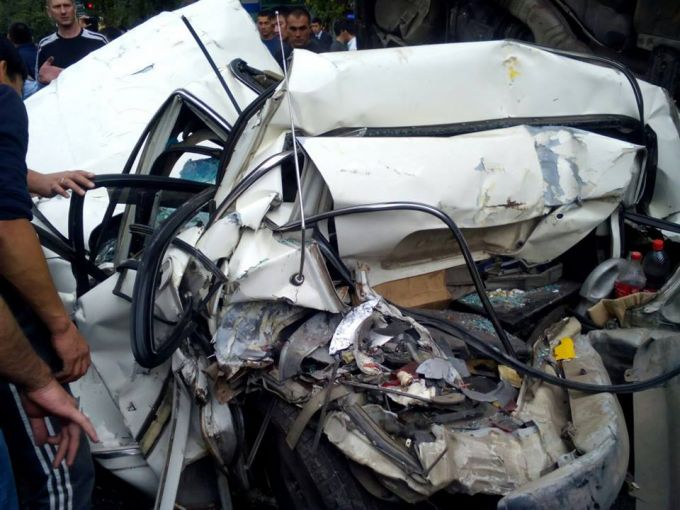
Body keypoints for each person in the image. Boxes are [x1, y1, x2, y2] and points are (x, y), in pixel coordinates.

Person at [0, 37, 99, 510]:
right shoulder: (2, 101)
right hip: (10, 331)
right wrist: (59, 329)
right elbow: (5, 229)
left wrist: (28, 179)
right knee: (61, 473)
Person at [36, 0, 107, 86]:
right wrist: (41, 81)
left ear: (75, 8)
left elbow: (112, 76)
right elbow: (38, 87)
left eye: (67, 5)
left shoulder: (99, 41)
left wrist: (64, 76)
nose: (63, 11)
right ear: (49, 12)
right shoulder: (45, 46)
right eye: (57, 7)